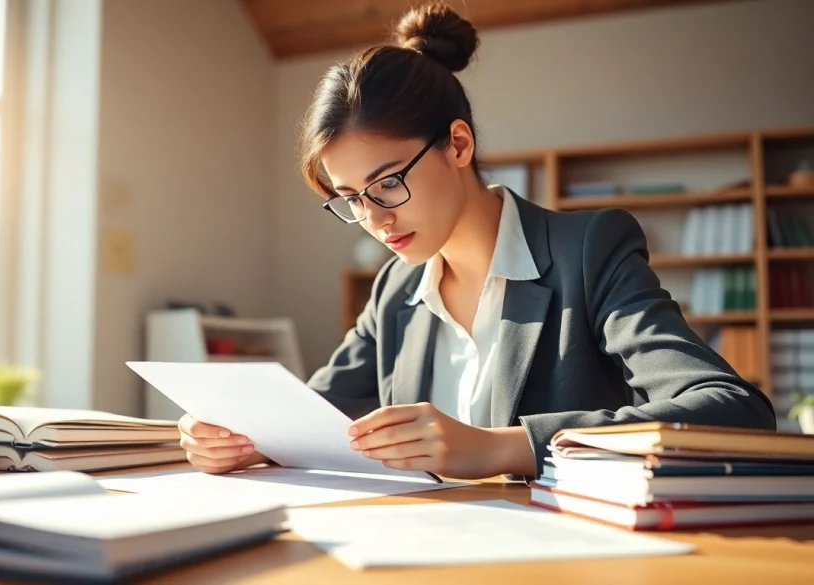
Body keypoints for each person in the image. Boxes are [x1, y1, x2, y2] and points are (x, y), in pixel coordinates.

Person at [177, 2, 776, 480]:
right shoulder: (395, 288)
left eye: (387, 183)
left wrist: (501, 448)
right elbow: (310, 419)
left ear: (458, 145)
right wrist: (241, 439)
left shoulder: (588, 250)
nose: (375, 219)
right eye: (352, 197)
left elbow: (732, 410)